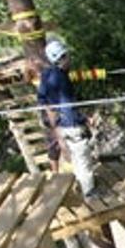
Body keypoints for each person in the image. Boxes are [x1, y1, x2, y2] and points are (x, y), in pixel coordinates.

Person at [37, 39, 97, 198]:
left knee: (76, 158)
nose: (70, 59)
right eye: (67, 56)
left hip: (62, 125)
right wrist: (85, 119)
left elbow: (42, 99)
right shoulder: (62, 79)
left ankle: (81, 186)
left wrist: (54, 119)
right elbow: (68, 106)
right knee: (83, 157)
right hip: (71, 124)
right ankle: (90, 193)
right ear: (61, 58)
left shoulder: (46, 75)